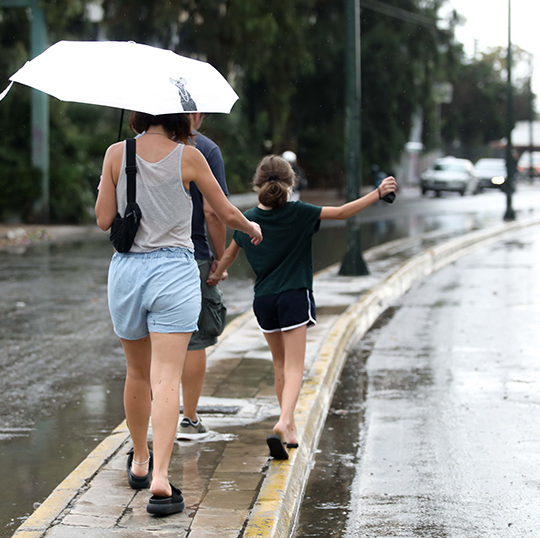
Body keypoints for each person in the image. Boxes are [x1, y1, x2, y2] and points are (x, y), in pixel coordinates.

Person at [95, 111, 262, 515]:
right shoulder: (190, 156)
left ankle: (138, 460)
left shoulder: (117, 154)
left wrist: (117, 183)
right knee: (166, 375)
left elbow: (103, 220)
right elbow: (223, 212)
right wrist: (251, 228)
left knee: (137, 372)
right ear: (178, 115)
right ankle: (161, 479)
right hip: (174, 271)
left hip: (128, 272)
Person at [208, 154, 395, 460]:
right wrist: (377, 193)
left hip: (264, 301)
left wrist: (216, 276)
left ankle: (290, 428)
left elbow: (228, 255)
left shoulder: (248, 220)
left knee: (280, 365)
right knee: (296, 367)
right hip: (294, 295)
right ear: (291, 182)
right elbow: (344, 212)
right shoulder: (300, 213)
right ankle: (283, 420)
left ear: (257, 184)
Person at [178, 112, 228, 441]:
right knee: (192, 341)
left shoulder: (127, 151)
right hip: (190, 254)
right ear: (194, 114)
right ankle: (189, 417)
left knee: (149, 348)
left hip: (138, 256)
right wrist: (220, 257)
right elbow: (214, 210)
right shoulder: (204, 150)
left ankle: (144, 435)